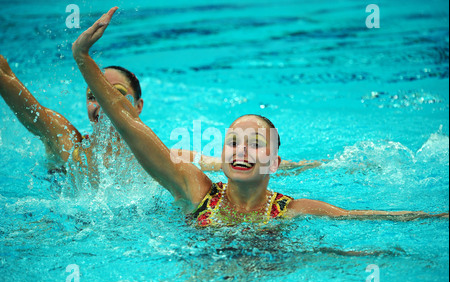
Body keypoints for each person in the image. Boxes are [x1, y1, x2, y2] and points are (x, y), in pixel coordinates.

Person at [69, 7, 449, 226]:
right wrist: (83, 59)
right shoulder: (194, 189)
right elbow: (129, 126)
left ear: (275, 163)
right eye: (234, 141)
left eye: (255, 144)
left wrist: (438, 217)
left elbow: (359, 216)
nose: (241, 149)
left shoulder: (292, 210)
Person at [0, 57, 320, 185]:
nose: (104, 104)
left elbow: (218, 162)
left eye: (116, 94)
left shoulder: (155, 156)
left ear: (138, 107)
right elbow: (11, 84)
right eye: (93, 96)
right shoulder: (67, 143)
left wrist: (308, 165)